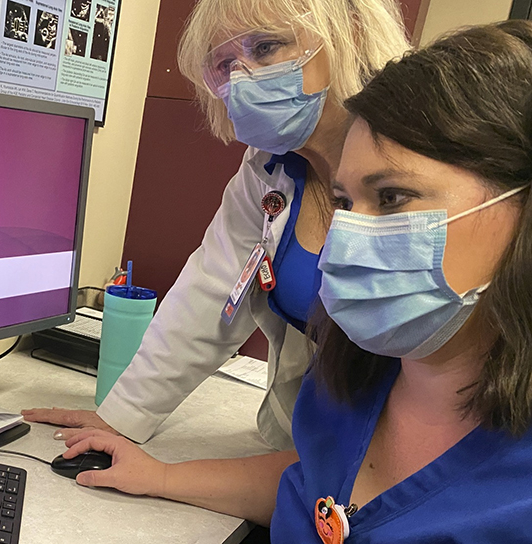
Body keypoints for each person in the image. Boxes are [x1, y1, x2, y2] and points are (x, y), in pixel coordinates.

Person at [60, 20, 532, 541]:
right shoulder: (348, 390)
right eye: (343, 204)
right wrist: (158, 469)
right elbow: (313, 481)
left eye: (393, 198)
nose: (346, 243)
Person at [23, 0, 410, 450]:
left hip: (420, 458)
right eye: (226, 65)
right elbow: (212, 291)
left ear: (353, 33)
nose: (242, 81)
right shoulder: (270, 168)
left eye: (265, 47)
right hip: (314, 451)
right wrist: (124, 416)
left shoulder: (424, 165)